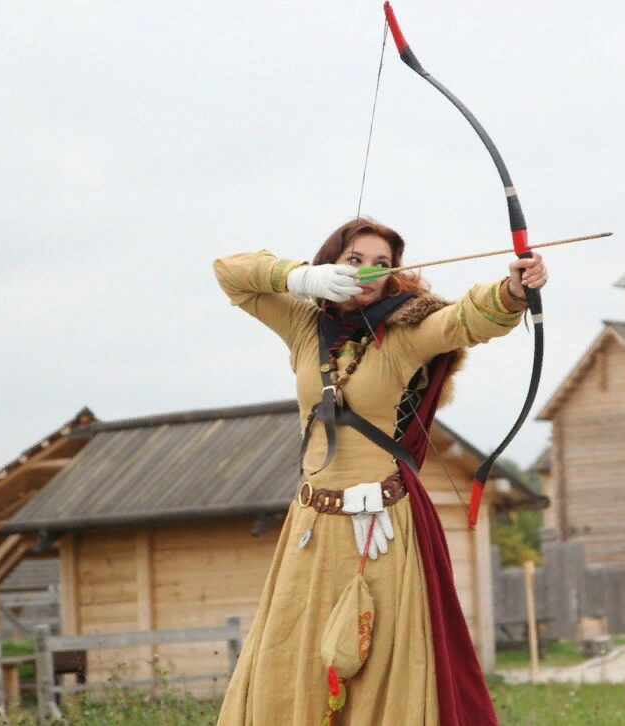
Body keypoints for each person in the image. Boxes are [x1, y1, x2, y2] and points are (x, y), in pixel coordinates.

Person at [211, 218, 548, 726]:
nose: (368, 272)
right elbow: (230, 272)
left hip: (381, 531)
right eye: (354, 259)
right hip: (312, 528)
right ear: (332, 261)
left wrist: (513, 291)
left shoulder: (405, 332)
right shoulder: (304, 325)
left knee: (385, 666)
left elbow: (465, 320)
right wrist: (300, 277)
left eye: (381, 265)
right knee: (292, 657)